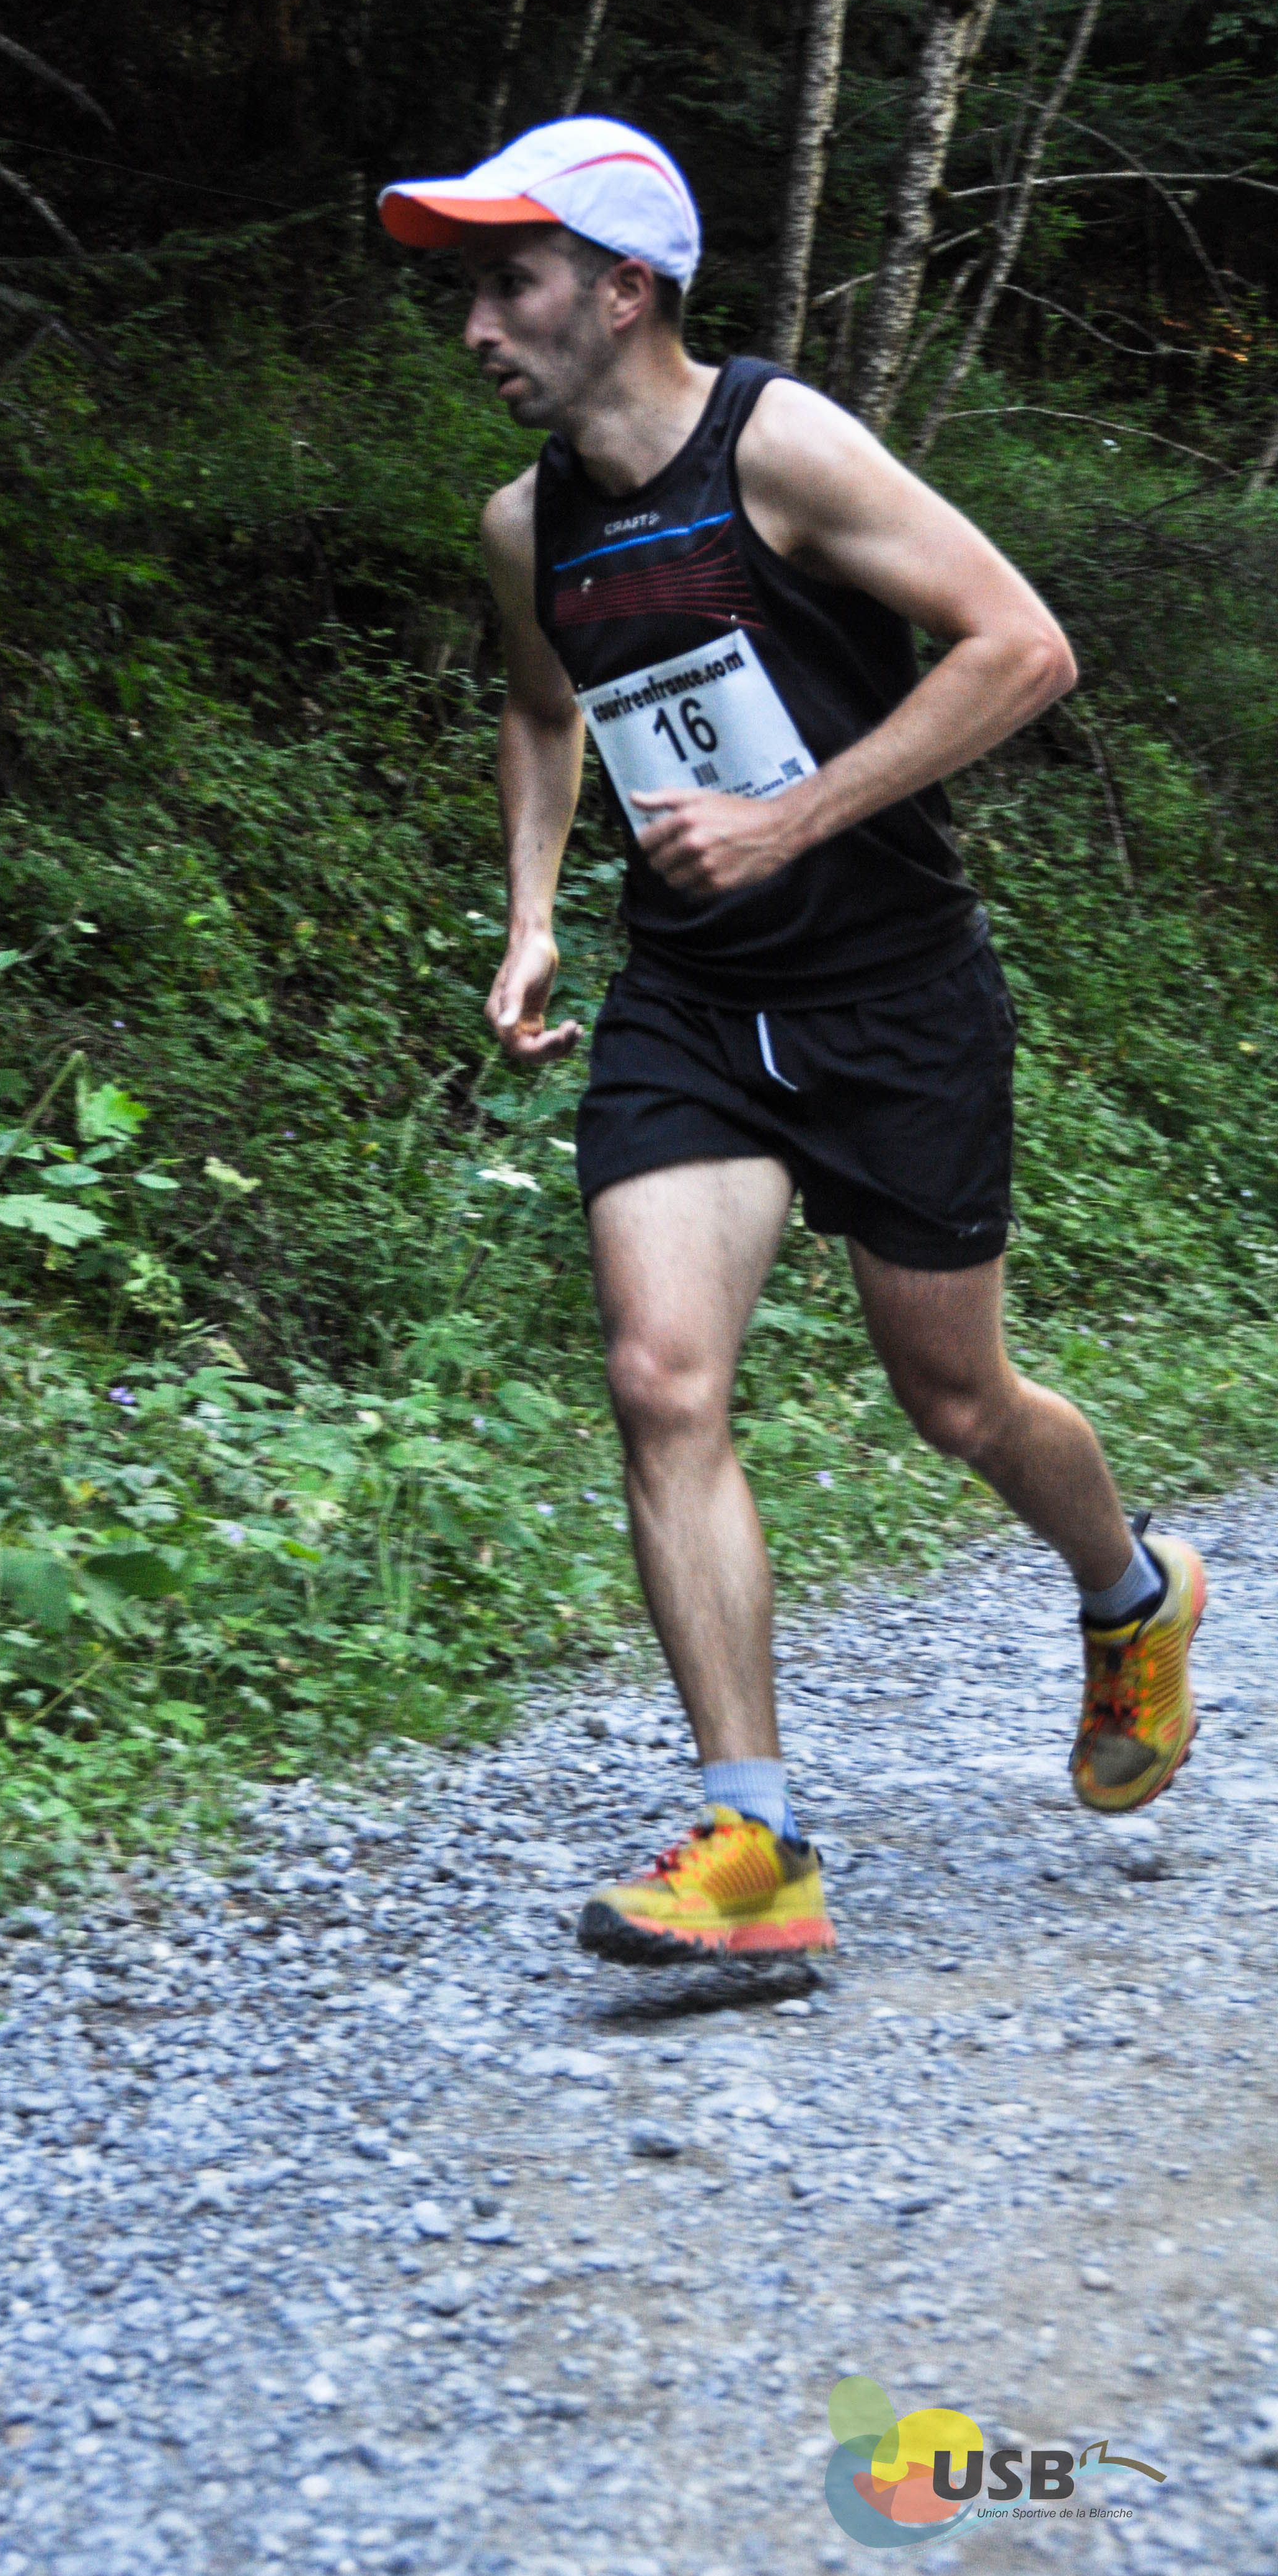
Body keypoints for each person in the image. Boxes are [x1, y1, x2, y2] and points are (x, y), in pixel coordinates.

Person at [378, 117, 1205, 1961]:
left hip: (894, 990)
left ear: (624, 288)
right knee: (662, 1380)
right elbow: (543, 707)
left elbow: (1021, 647)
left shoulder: (781, 444)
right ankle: (755, 1850)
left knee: (956, 1400)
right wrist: (532, 912)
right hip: (689, 999)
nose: (477, 327)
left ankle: (1133, 1591)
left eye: (511, 283)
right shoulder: (527, 525)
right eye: (467, 291)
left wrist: (791, 819)